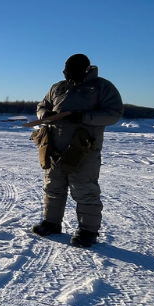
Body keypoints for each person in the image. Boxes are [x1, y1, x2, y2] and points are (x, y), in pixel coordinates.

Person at [29, 53, 123, 248]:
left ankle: (88, 231)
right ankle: (51, 222)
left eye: (72, 72)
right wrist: (44, 114)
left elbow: (113, 114)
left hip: (84, 149)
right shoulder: (59, 87)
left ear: (85, 70)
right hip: (54, 146)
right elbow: (42, 105)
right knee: (53, 186)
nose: (67, 75)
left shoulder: (101, 87)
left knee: (84, 189)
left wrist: (83, 117)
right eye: (65, 72)